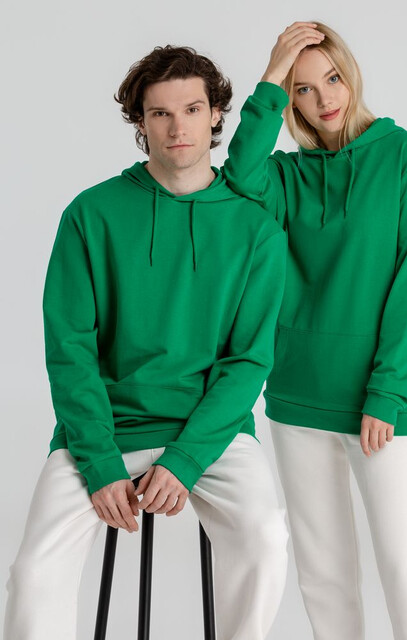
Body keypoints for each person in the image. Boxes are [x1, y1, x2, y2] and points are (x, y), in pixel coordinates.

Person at [3, 45, 289, 640]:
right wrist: (99, 461)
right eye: (160, 113)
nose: (177, 127)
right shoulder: (91, 214)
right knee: (33, 576)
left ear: (216, 114)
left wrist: (185, 460)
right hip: (103, 431)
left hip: (211, 434)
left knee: (265, 539)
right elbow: (70, 350)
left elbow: (247, 362)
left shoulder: (256, 230)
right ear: (141, 121)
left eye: (191, 109)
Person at [222, 20, 407, 640]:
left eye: (331, 78)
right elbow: (238, 180)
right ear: (289, 100)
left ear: (350, 73)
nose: (324, 98)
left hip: (382, 402)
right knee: (323, 577)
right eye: (302, 88)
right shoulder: (285, 176)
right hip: (297, 398)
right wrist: (271, 75)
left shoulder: (404, 156)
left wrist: (388, 392)